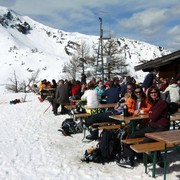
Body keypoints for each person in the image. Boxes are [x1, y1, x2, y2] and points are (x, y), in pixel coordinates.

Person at [117, 85, 170, 168]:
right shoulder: (152, 102)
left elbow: (152, 116)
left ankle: (155, 157)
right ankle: (128, 157)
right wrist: (148, 111)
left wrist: (150, 111)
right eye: (151, 92)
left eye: (155, 92)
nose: (153, 94)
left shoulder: (160, 102)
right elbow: (128, 108)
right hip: (151, 127)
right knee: (130, 136)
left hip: (160, 128)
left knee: (146, 141)